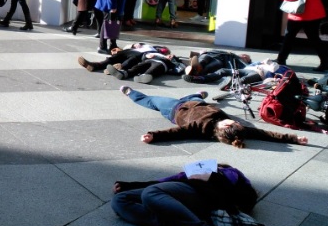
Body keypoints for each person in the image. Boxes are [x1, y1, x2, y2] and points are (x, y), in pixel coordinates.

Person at [111, 164, 259, 226]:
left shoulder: (229, 172)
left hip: (201, 198)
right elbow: (165, 181)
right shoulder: (190, 172)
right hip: (176, 192)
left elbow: (249, 199)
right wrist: (128, 185)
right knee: (119, 200)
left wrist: (214, 176)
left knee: (149, 194)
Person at [119, 85, 309, 148]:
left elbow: (175, 132)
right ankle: (200, 95)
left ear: (224, 128)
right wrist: (294, 138)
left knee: (152, 100)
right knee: (195, 96)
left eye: (231, 122)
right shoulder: (237, 131)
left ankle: (130, 93)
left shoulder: (199, 129)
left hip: (175, 109)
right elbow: (264, 134)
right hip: (196, 103)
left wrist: (154, 135)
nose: (234, 120)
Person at [276, 0, 327, 72]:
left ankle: (280, 60)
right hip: (315, 12)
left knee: (289, 37)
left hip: (299, 14)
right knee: (315, 39)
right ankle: (325, 61)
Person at [77, 43, 171, 72]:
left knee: (133, 59)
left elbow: (163, 58)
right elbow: (126, 47)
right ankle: (95, 65)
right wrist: (134, 44)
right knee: (116, 56)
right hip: (131, 51)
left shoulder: (156, 53)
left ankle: (118, 68)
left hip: (140, 56)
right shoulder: (147, 45)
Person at [108, 51, 185, 84]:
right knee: (138, 66)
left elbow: (180, 69)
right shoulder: (159, 55)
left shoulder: (173, 63)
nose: (170, 56)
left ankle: (144, 76)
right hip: (149, 60)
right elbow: (144, 55)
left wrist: (174, 62)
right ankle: (124, 73)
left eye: (172, 56)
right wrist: (147, 55)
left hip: (161, 64)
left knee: (154, 68)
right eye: (170, 55)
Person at [182, 50, 252, 83]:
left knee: (209, 66)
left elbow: (248, 67)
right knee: (203, 59)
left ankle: (196, 73)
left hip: (220, 60)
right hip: (210, 54)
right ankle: (196, 68)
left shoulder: (238, 60)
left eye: (246, 58)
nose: (244, 57)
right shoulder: (230, 53)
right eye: (245, 57)